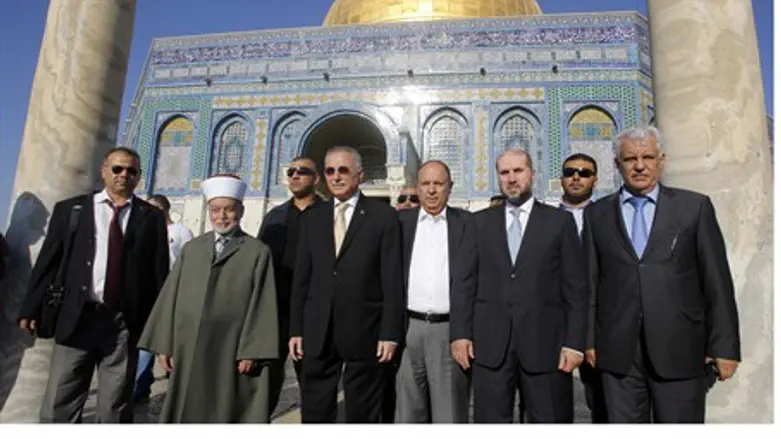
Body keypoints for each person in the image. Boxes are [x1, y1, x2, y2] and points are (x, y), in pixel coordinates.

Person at [582, 126, 741, 423]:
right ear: (617, 164)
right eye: (630, 159)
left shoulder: (693, 208)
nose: (640, 166)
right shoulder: (597, 214)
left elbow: (716, 282)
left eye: (648, 157)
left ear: (662, 160)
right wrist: (589, 340)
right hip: (618, 352)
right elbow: (591, 282)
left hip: (680, 346)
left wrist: (724, 347)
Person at [18, 147, 169, 423]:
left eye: (131, 171)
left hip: (123, 324)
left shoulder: (151, 217)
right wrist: (30, 307)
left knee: (115, 407)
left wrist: (160, 330)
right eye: (117, 169)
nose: (124, 175)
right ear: (104, 171)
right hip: (77, 317)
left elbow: (159, 275)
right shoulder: (72, 210)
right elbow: (49, 262)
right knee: (61, 400)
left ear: (139, 177)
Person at [451, 148, 588, 423]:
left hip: (545, 346)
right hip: (491, 346)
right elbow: (465, 283)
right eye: (504, 172)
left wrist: (574, 344)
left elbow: (575, 288)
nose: (511, 178)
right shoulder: (479, 223)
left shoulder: (558, 222)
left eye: (518, 171)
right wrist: (460, 334)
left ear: (532, 174)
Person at [138, 174, 279, 423]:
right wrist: (164, 344)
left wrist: (252, 350)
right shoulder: (193, 249)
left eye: (229, 210)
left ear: (241, 211)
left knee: (222, 405)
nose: (222, 216)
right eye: (215, 210)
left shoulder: (257, 252)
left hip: (229, 346)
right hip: (188, 343)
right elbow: (170, 296)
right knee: (186, 403)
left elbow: (262, 303)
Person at [289, 146, 404, 423]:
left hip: (364, 330)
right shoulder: (314, 216)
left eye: (343, 170)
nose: (336, 177)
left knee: (362, 412)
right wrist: (296, 329)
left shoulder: (382, 216)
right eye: (330, 171)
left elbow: (391, 279)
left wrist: (389, 333)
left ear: (360, 175)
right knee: (315, 410)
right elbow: (302, 278)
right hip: (318, 331)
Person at [395, 160, 471, 423]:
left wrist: (464, 333)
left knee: (448, 412)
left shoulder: (467, 224)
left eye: (438, 184)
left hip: (448, 331)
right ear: (418, 187)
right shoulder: (400, 223)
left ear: (450, 187)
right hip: (408, 329)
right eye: (425, 184)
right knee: (407, 410)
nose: (431, 190)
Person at [257, 156, 324, 413]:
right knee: (266, 382)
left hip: (311, 312)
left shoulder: (329, 216)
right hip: (276, 311)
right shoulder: (275, 217)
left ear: (316, 179)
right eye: (291, 172)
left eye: (302, 171)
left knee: (312, 382)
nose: (295, 176)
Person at [557, 152, 607, 423]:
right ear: (561, 179)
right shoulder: (546, 220)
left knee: (602, 402)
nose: (576, 178)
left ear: (595, 180)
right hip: (556, 325)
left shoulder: (608, 218)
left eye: (584, 173)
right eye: (570, 172)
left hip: (599, 325)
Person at [133, 194, 194, 403]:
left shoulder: (180, 232)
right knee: (145, 343)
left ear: (162, 210)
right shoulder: (144, 231)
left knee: (171, 343)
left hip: (173, 293)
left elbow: (188, 262)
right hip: (149, 294)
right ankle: (140, 387)